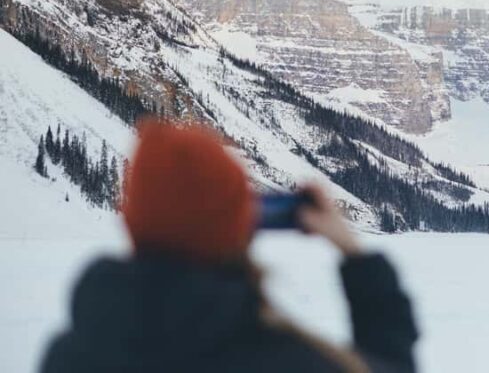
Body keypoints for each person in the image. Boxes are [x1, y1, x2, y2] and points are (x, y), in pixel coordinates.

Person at [40, 121, 419, 373]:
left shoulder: (70, 355)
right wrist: (354, 253)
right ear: (239, 226)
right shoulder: (279, 360)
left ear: (135, 219)